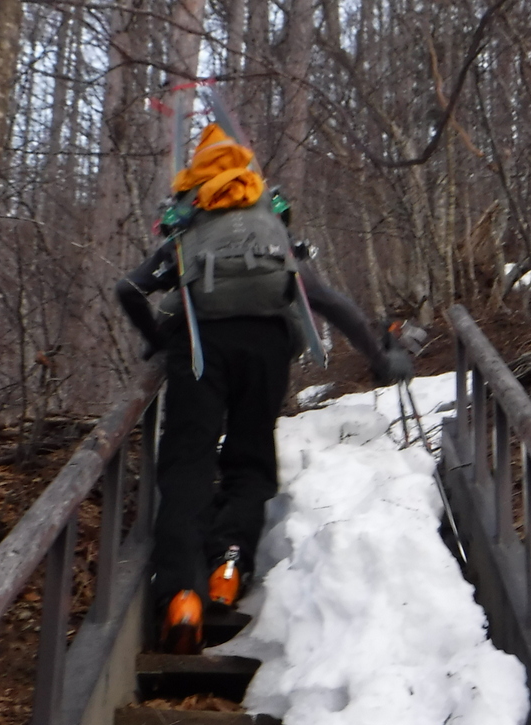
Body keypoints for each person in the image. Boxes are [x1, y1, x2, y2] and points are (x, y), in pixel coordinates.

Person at [116, 124, 414, 653]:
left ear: (198, 173)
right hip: (268, 347)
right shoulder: (268, 223)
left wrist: (158, 336)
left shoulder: (189, 221)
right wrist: (379, 357)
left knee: (188, 465)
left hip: (200, 349)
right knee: (250, 460)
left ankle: (182, 598)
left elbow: (130, 288)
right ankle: (228, 569)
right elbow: (325, 298)